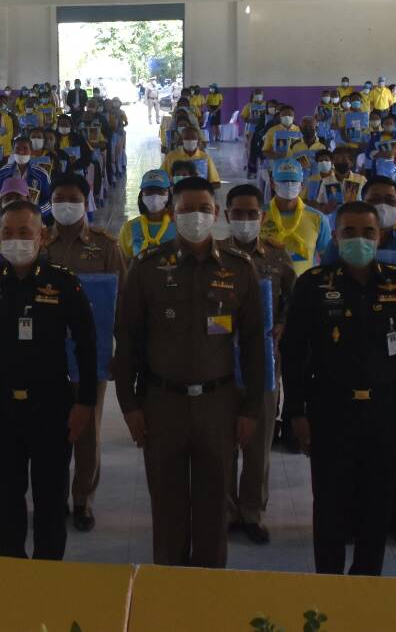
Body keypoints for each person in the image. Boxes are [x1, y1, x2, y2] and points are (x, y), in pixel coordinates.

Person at [116, 176, 266, 568]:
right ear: (172, 212)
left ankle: (208, 592)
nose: (195, 217)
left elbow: (254, 344)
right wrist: (129, 405)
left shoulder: (239, 268)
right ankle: (168, 588)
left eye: (203, 209)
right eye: (186, 209)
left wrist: (251, 408)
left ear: (216, 214)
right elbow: (128, 338)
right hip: (161, 403)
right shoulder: (147, 267)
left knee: (215, 510)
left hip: (219, 405)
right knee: (167, 510)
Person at [282, 201, 396, 575]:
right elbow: (293, 354)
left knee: (377, 508)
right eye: (349, 232)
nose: (359, 240)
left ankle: (366, 583)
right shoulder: (313, 285)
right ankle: (329, 586)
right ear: (336, 236)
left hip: (386, 411)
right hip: (330, 410)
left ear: (379, 236)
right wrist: (296, 412)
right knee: (329, 506)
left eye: (368, 232)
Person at [0, 200, 96, 560]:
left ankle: (47, 574)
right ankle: (11, 573)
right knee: (6, 501)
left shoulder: (63, 283)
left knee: (50, 502)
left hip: (52, 406)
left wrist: (85, 402)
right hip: (1, 406)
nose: (15, 240)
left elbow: (87, 345)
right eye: (7, 233)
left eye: (25, 232)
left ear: (42, 236)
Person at [40, 173, 124, 533]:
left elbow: (122, 303)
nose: (66, 205)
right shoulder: (38, 242)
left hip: (91, 354)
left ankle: (83, 500)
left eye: (73, 199)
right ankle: (54, 496)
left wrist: (123, 352)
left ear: (85, 201)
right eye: (59, 199)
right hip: (45, 353)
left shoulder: (105, 247)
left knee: (87, 429)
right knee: (49, 429)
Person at [221, 183, 298, 544]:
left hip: (265, 365)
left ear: (262, 216)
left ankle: (252, 511)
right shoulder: (215, 256)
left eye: (252, 213)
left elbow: (294, 303)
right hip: (221, 365)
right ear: (227, 215)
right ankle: (225, 511)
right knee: (223, 444)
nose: (245, 219)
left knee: (258, 444)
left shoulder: (278, 258)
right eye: (238, 213)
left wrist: (283, 325)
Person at [262, 160, 332, 272]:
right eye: (283, 181)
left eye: (294, 181)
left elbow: (327, 260)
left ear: (302, 185)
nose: (289, 185)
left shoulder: (318, 219)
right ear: (272, 183)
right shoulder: (260, 216)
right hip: (268, 281)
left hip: (304, 282)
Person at [120, 170, 176, 260]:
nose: (155, 196)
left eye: (160, 191)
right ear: (141, 195)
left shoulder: (177, 226)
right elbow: (125, 262)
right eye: (149, 191)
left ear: (169, 194)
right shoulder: (129, 228)